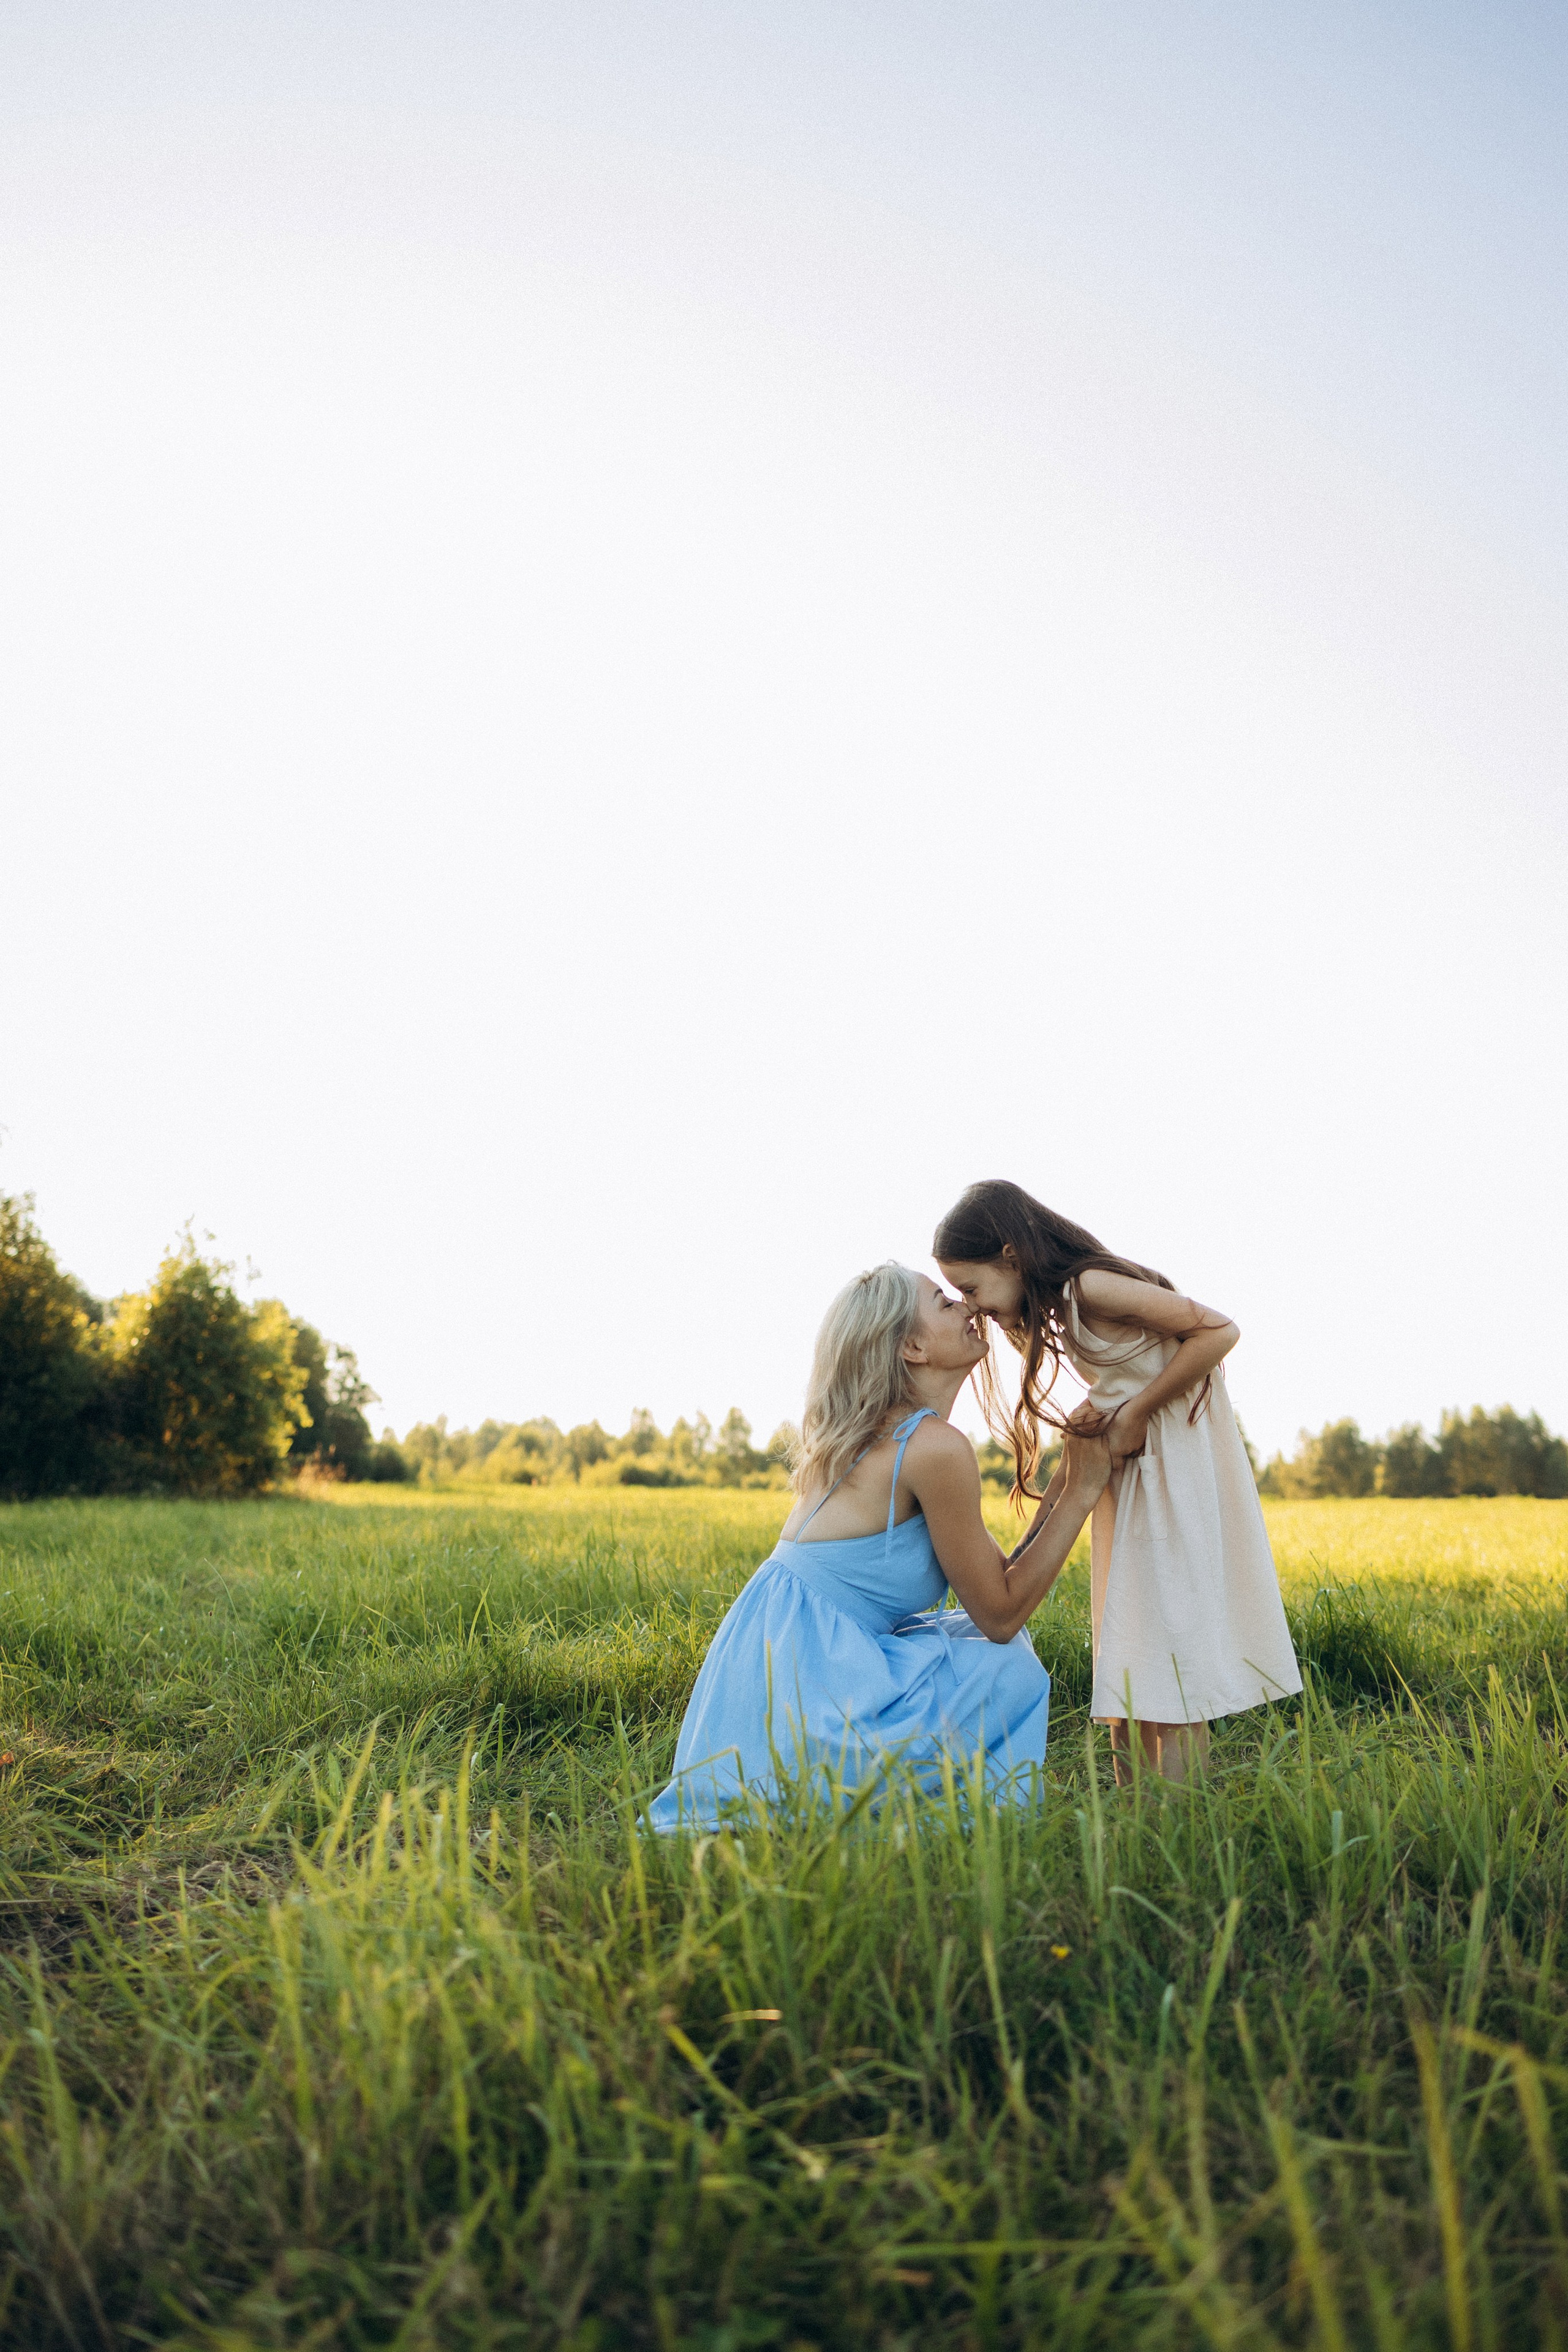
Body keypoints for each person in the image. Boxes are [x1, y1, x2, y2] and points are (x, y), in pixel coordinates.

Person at [648, 1262, 1110, 1831]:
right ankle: (936, 1819)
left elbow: (997, 1582)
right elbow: (1003, 1612)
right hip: (808, 1693)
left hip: (776, 1679)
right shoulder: (932, 1447)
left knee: (974, 1645)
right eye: (945, 1302)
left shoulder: (888, 1437)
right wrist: (1085, 1489)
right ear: (912, 1347)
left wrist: (1067, 1476)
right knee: (1004, 1667)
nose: (969, 1307)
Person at [934, 1178, 1301, 1784]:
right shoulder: (1064, 1311)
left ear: (1009, 1254)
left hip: (1173, 1477)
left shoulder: (1089, 1287)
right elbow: (1115, 1395)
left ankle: (1180, 1825)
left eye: (969, 1287)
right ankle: (1139, 1820)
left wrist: (1133, 1411)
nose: (970, 1306)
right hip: (1135, 1481)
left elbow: (1218, 1331)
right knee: (1131, 1644)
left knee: (1172, 1649)